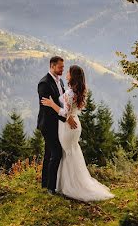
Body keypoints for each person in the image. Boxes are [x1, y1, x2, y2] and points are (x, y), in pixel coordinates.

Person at [41, 65, 114, 202]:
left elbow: (64, 113)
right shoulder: (79, 90)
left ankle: (71, 186)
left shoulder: (69, 93)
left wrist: (51, 104)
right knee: (71, 152)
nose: (66, 73)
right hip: (75, 124)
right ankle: (68, 183)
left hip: (68, 125)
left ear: (72, 76)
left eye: (68, 72)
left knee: (67, 153)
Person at [36, 56, 77, 194]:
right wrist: (66, 119)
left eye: (63, 67)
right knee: (56, 153)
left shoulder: (61, 82)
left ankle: (45, 184)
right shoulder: (44, 84)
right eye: (60, 67)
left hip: (58, 124)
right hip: (48, 124)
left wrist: (67, 116)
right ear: (52, 66)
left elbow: (63, 104)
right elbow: (48, 109)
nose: (62, 69)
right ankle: (51, 188)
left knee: (49, 154)